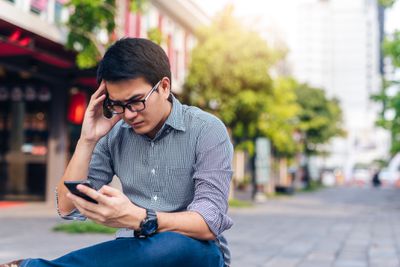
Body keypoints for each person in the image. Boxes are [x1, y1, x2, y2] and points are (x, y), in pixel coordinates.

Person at [1, 38, 233, 267]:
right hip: (135, 252)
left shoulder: (206, 130)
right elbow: (67, 207)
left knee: (175, 243)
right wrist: (87, 139)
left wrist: (141, 218)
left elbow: (208, 221)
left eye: (135, 101)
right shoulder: (114, 132)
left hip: (198, 253)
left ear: (164, 87)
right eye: (117, 105)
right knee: (132, 249)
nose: (128, 114)